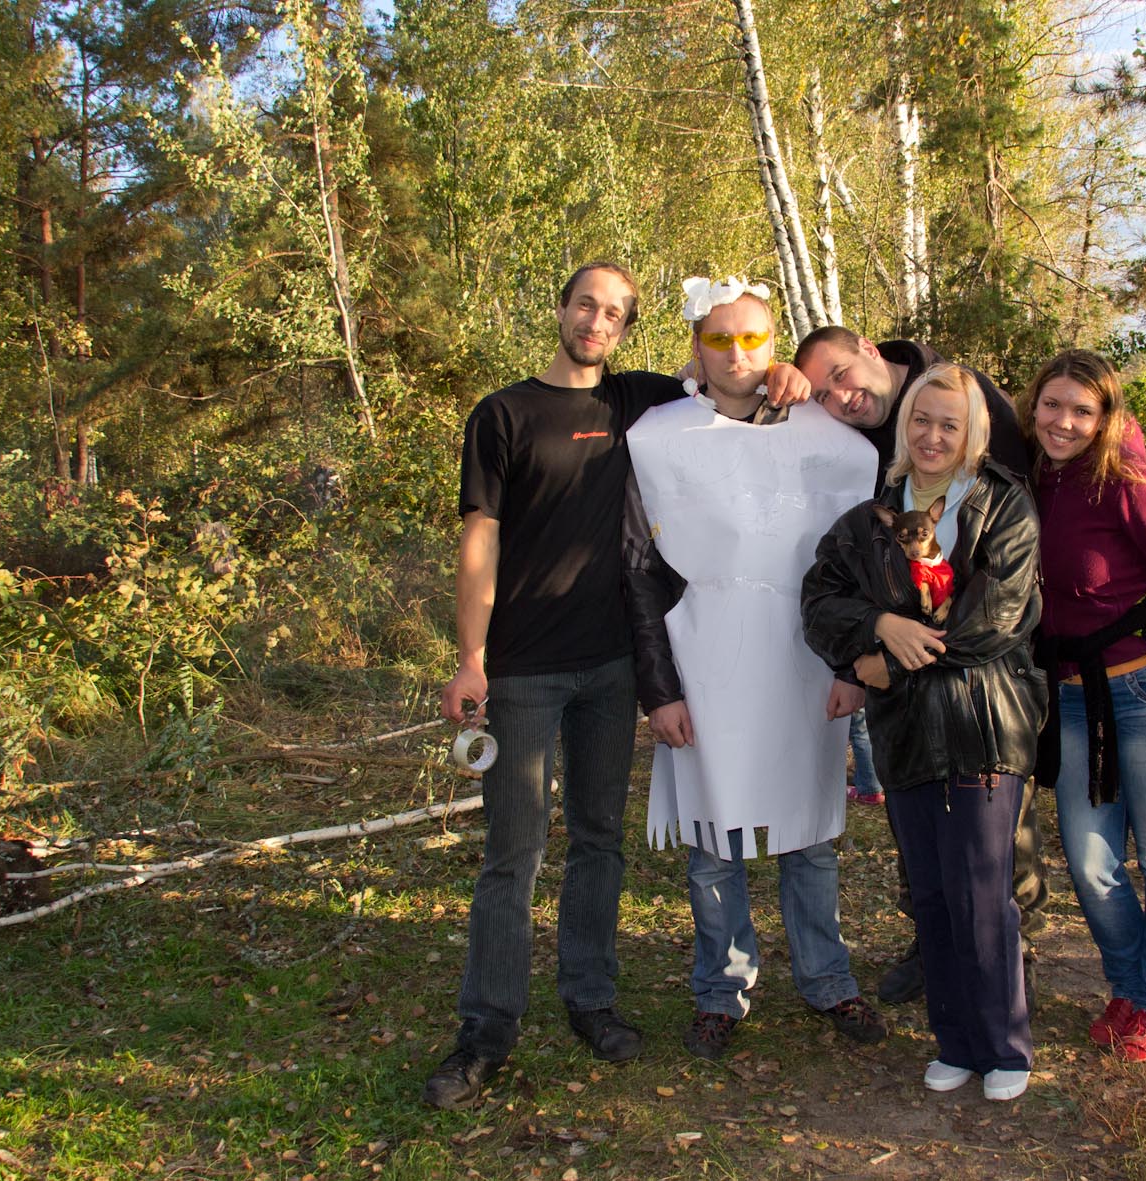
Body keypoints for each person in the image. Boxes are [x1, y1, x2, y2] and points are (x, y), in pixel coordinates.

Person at [423, 262, 809, 1109]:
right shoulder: (503, 414)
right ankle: (485, 1030)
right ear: (561, 309)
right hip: (522, 667)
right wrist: (471, 655)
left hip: (612, 668)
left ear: (628, 329)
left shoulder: (639, 401)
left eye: (614, 313)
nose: (596, 322)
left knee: (600, 839)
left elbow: (729, 380)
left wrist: (788, 370)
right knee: (514, 853)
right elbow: (480, 538)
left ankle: (590, 999)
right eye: (585, 305)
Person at [622, 276, 887, 1060]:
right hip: (703, 659)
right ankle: (721, 989)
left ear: (774, 345)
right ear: (695, 346)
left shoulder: (826, 437)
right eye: (719, 338)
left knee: (809, 836)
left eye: (752, 338)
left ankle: (827, 979)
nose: (736, 354)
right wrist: (660, 690)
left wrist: (853, 664)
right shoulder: (659, 438)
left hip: (805, 656)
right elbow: (641, 571)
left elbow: (860, 561)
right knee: (714, 839)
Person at [802, 362, 1047, 1102]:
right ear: (903, 425)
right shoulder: (869, 520)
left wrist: (893, 660)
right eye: (921, 420)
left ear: (973, 431)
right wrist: (877, 628)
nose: (933, 436)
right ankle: (956, 1041)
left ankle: (1004, 1046)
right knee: (932, 893)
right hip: (906, 735)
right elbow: (818, 602)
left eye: (950, 423)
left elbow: (998, 616)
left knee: (983, 891)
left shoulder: (1003, 505)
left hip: (983, 722)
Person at [1020, 349, 1146, 1064]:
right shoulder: (1035, 478)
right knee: (1090, 860)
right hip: (1074, 697)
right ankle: (1129, 983)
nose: (1064, 421)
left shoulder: (1129, 483)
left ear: (1105, 417)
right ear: (1033, 405)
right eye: (1053, 405)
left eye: (1083, 410)